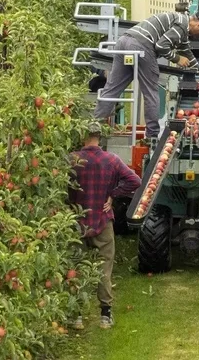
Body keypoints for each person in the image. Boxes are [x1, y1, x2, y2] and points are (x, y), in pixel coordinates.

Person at [92, 10, 199, 141]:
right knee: (151, 92)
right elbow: (161, 46)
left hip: (124, 42)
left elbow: (186, 52)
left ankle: (93, 130)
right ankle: (152, 136)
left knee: (111, 89)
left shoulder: (181, 25)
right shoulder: (182, 26)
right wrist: (177, 59)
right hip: (141, 47)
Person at [68, 122, 141, 329]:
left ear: (83, 136)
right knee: (104, 268)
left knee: (76, 268)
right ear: (100, 137)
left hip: (76, 220)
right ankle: (105, 315)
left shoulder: (71, 160)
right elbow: (134, 181)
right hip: (102, 219)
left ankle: (77, 316)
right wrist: (113, 195)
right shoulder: (111, 160)